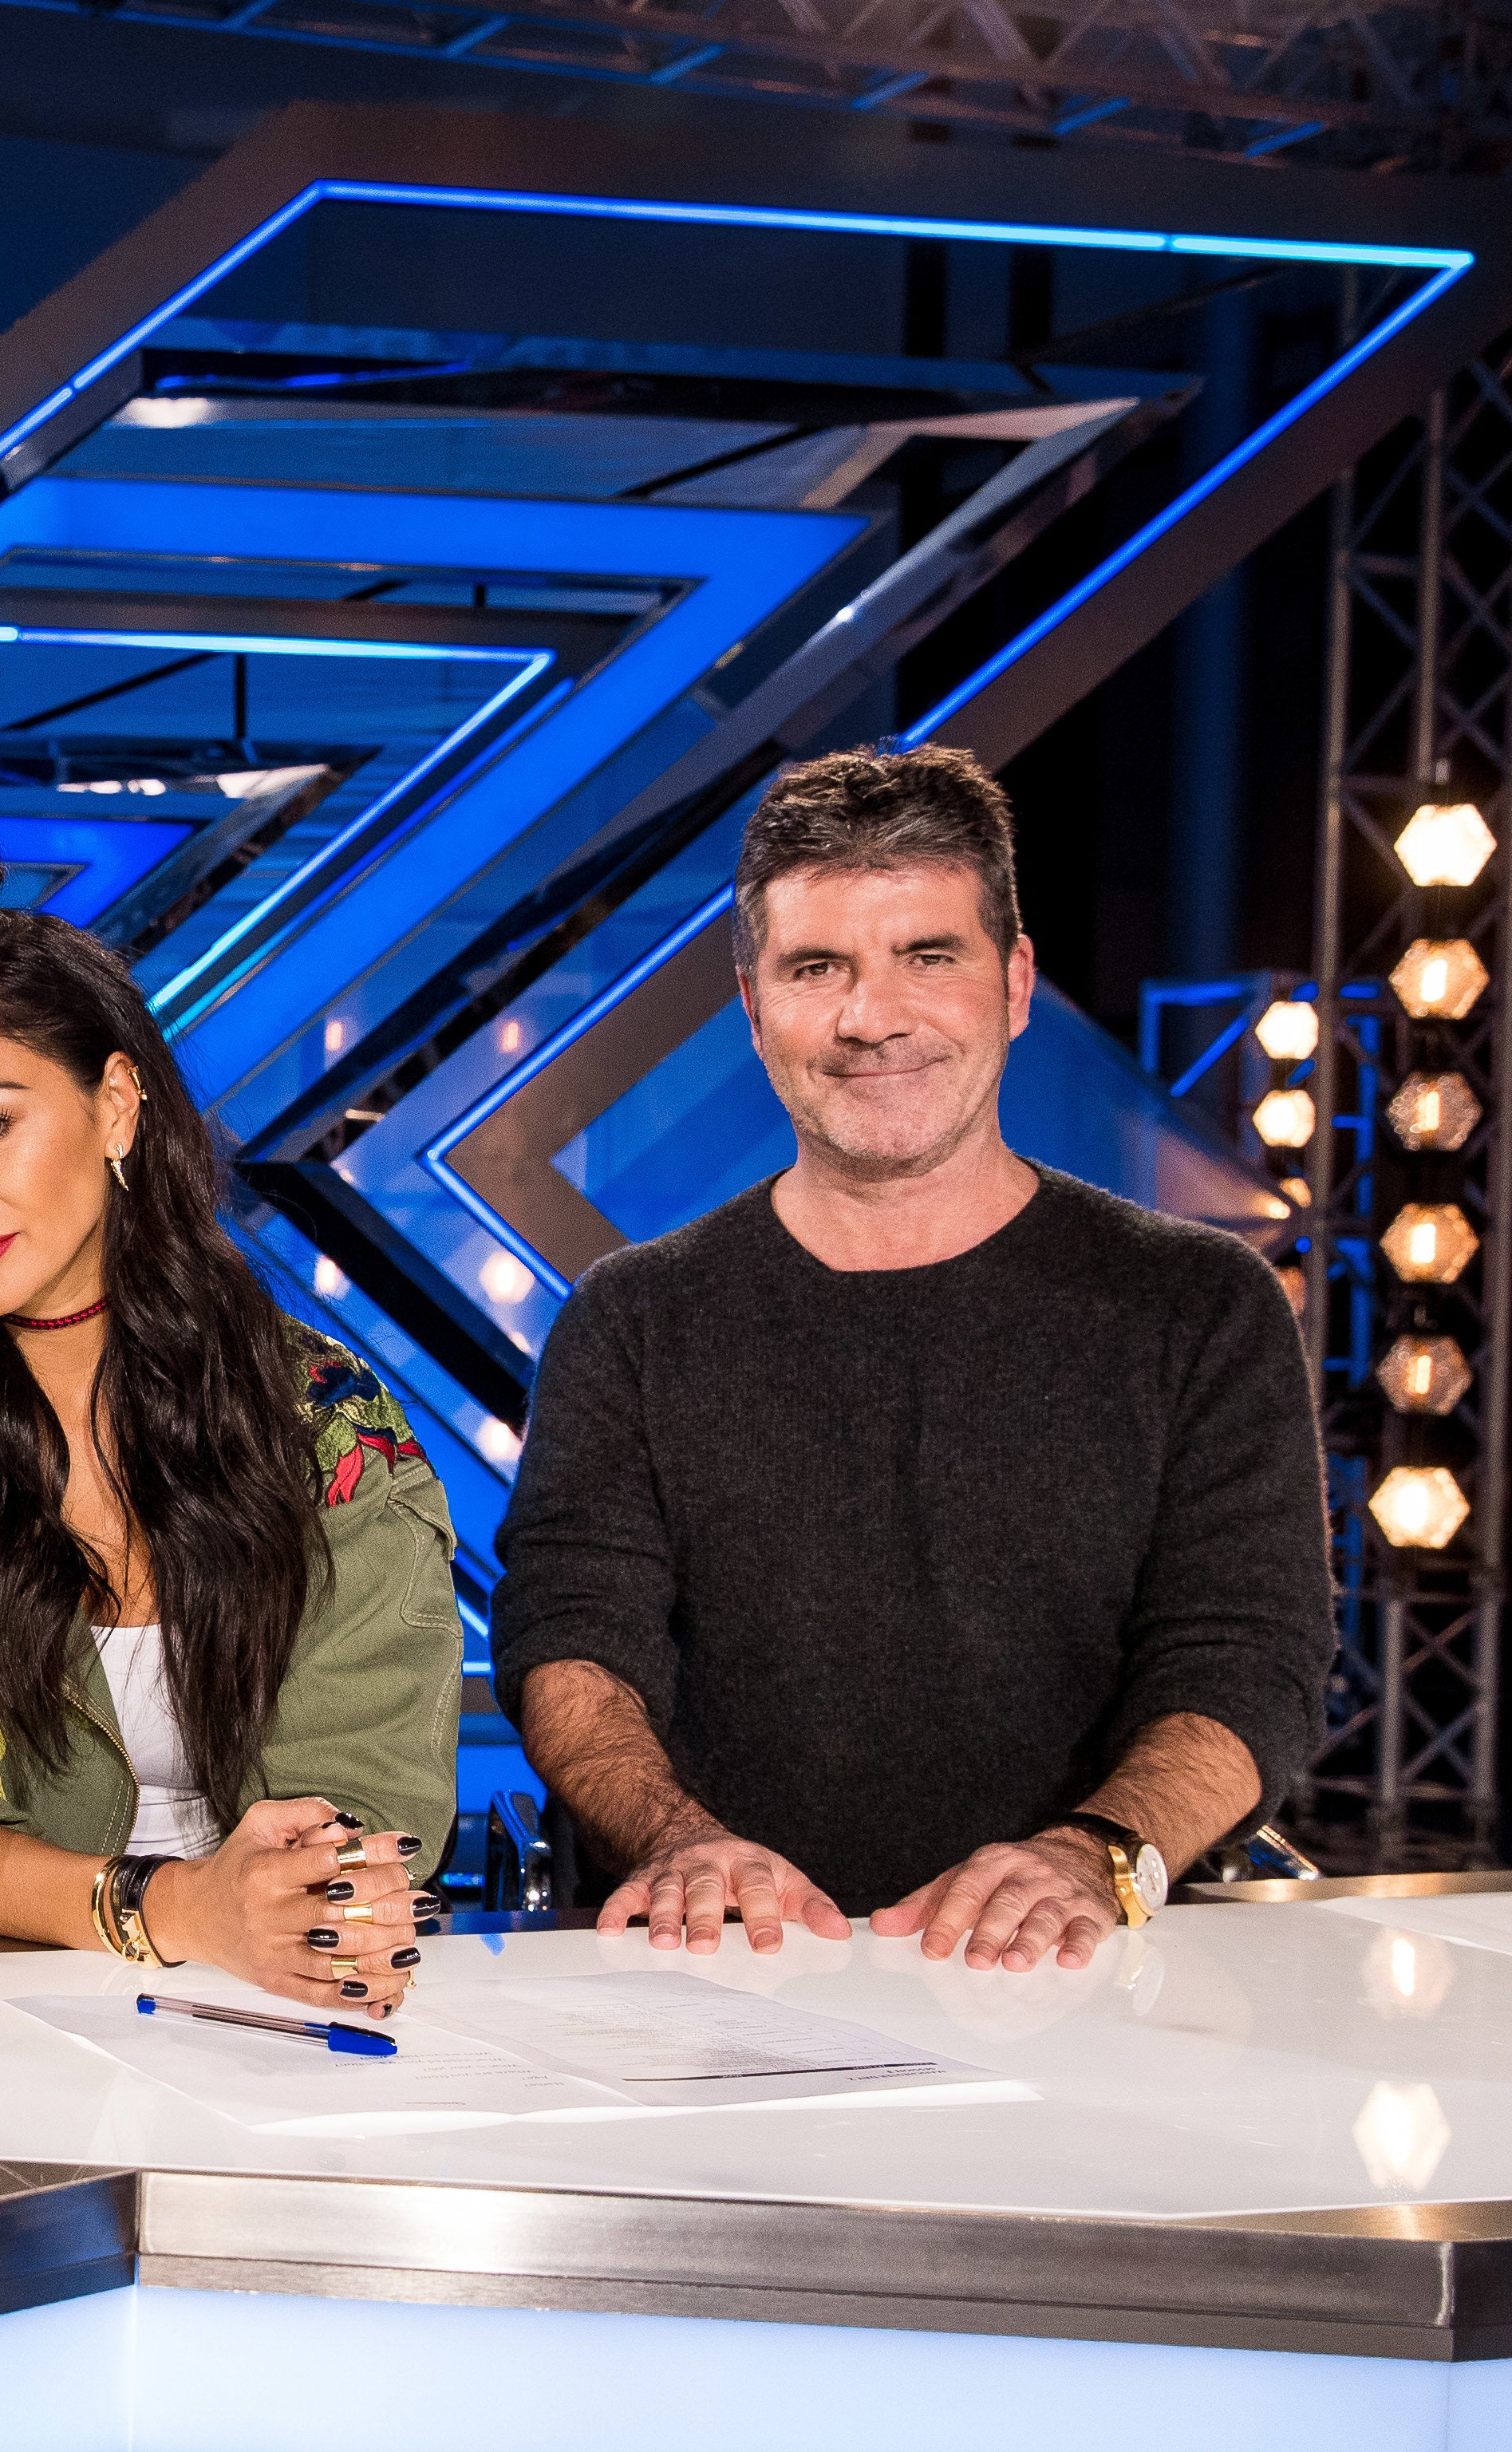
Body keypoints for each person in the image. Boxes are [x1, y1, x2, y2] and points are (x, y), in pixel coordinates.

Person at [497, 745, 1332, 1969]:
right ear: (752, 1002)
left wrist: (1092, 1853)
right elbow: (571, 1639)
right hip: (720, 1980)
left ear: (1013, 982)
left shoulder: (1197, 1303)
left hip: (1089, 1986)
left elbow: (1247, 1656)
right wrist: (676, 1838)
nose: (868, 1017)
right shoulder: (633, 1318)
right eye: (815, 967)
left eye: (925, 958)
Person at [0, 838, 460, 2008]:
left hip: (273, 1992)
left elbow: (370, 1785)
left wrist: (298, 1906)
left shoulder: (321, 1420)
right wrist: (165, 1912)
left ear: (114, 1105)